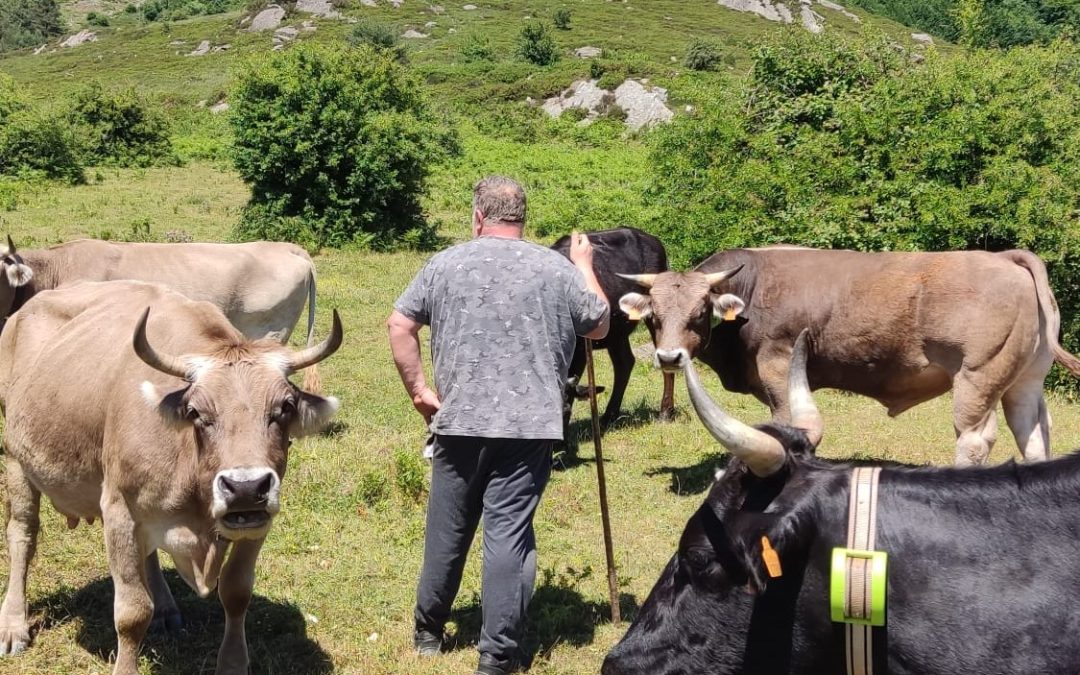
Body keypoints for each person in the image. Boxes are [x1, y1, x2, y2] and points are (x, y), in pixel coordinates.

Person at [387, 176, 609, 675]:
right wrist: (585, 266)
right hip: (530, 428)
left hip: (459, 420)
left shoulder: (445, 263)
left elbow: (399, 324)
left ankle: (428, 632)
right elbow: (599, 323)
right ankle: (497, 656)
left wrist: (421, 392)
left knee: (448, 528)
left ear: (478, 216)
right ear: (522, 219)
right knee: (508, 535)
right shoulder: (556, 268)